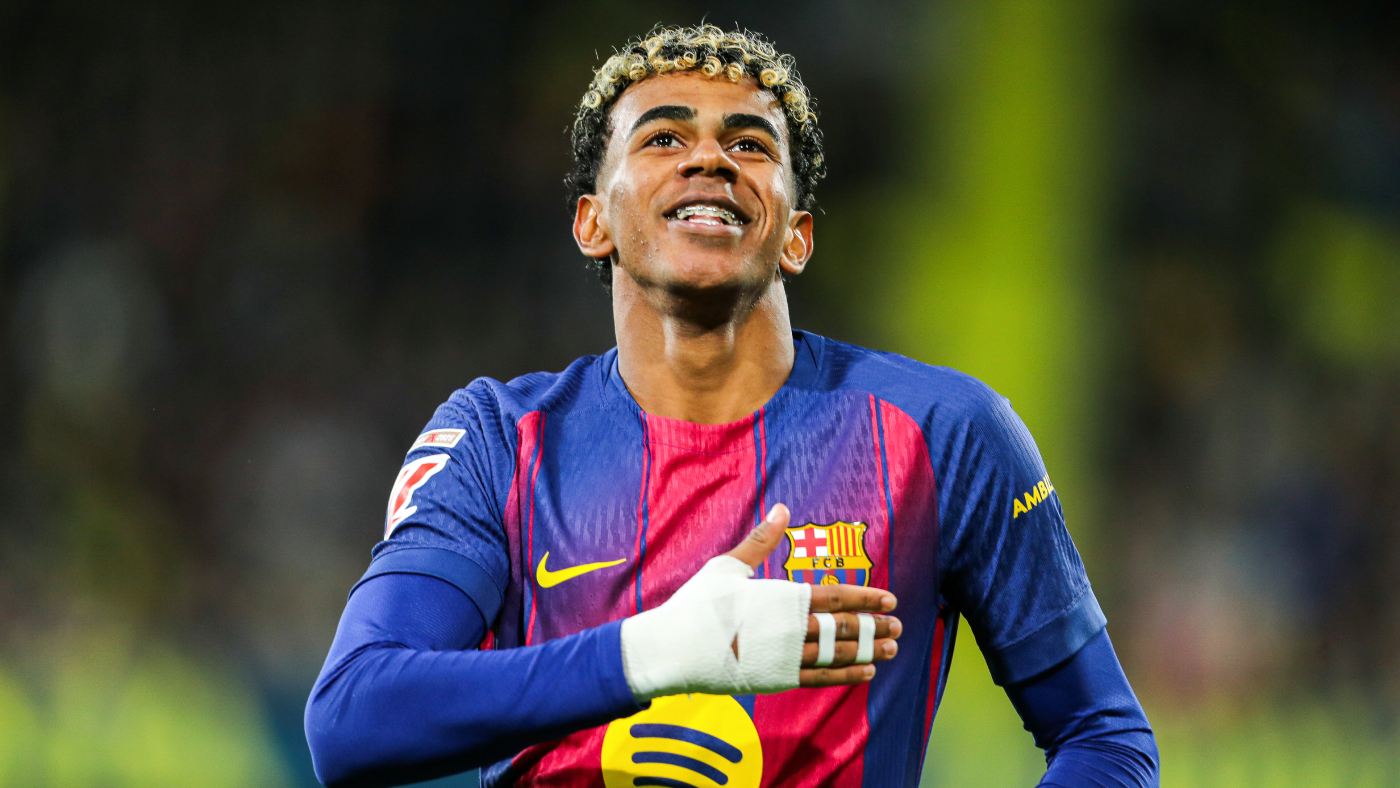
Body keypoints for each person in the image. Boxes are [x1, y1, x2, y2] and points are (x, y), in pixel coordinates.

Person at [305, 24, 1159, 788]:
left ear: (797, 236)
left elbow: (1106, 738)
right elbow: (351, 718)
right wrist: (657, 653)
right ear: (593, 223)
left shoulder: (943, 435)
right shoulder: (498, 441)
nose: (708, 159)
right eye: (663, 137)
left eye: (749, 144)